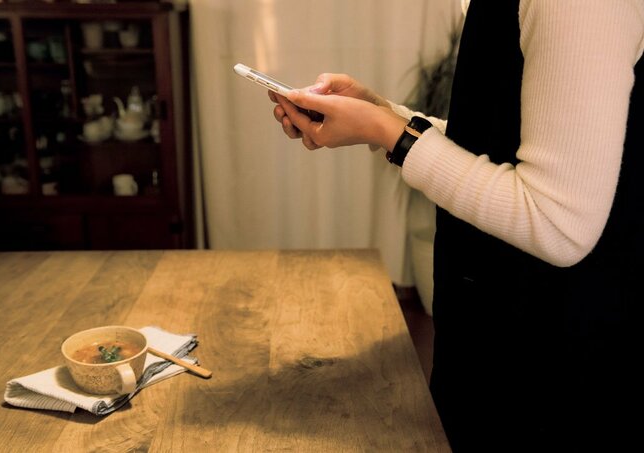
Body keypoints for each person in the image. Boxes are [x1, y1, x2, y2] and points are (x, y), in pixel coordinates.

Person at [268, 0, 643, 450]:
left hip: (552, 364)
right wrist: (385, 116)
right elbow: (501, 142)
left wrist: (391, 134)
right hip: (496, 338)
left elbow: (559, 223)